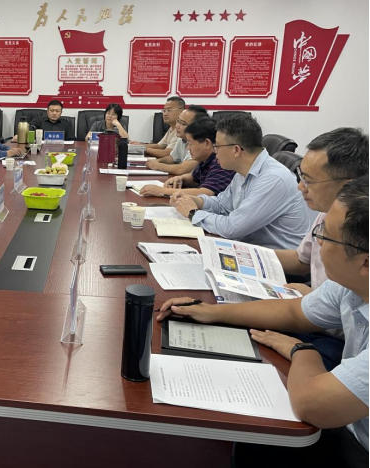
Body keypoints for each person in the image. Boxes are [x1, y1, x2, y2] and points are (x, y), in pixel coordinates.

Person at [158, 176, 369, 468]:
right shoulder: (350, 285)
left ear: (365, 262)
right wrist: (211, 312)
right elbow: (294, 312)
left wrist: (303, 352)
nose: (317, 242)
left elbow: (312, 406)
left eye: (326, 236)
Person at [170, 114, 312, 250]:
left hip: (276, 261)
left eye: (217, 146)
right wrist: (197, 201)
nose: (214, 151)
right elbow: (223, 205)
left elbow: (232, 227)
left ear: (236, 150)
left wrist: (193, 213)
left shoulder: (273, 179)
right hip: (249, 248)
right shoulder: (243, 171)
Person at [278, 128, 369, 295]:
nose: (300, 187)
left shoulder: (361, 233)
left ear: (347, 187)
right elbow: (302, 260)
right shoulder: (326, 210)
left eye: (308, 180)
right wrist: (248, 255)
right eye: (301, 176)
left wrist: (310, 298)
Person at [140, 118, 235, 198]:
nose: (188, 148)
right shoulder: (205, 159)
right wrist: (180, 178)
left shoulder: (220, 162)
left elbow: (206, 192)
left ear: (207, 143)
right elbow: (194, 178)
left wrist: (162, 191)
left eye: (190, 143)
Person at [145, 105, 208, 175]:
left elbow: (182, 169)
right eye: (178, 121)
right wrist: (157, 161)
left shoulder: (199, 143)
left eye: (183, 123)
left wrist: (159, 166)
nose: (177, 126)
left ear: (197, 126)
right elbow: (172, 158)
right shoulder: (181, 138)